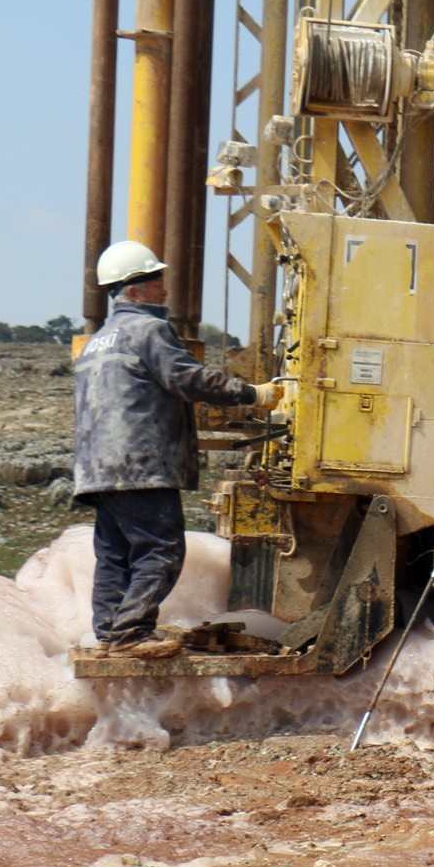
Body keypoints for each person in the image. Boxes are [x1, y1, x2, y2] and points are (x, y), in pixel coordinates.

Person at [73, 240, 279, 658]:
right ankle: (132, 632)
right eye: (156, 280)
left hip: (97, 469)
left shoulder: (98, 341)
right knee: (161, 548)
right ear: (135, 291)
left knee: (115, 553)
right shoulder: (148, 330)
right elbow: (187, 379)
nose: (164, 288)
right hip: (140, 464)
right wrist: (252, 395)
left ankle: (110, 634)